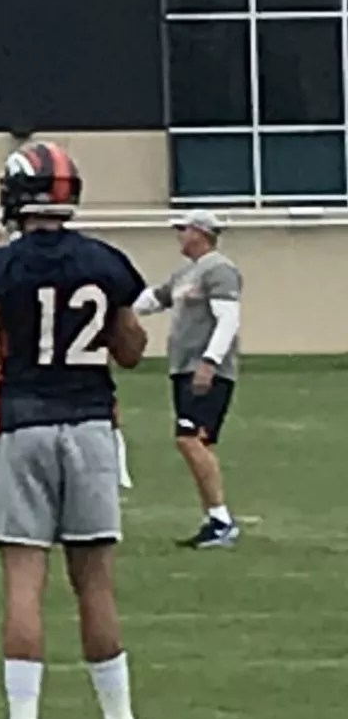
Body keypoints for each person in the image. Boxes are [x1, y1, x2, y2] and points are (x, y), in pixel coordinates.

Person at [0, 140, 182, 719]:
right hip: (92, 423)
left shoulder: (4, 264)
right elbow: (131, 349)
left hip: (21, 422)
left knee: (25, 581)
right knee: (95, 582)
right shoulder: (105, 261)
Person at [134, 210, 243, 548]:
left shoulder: (219, 270)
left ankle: (221, 520)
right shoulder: (185, 273)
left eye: (183, 229)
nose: (179, 235)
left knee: (189, 438)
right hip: (183, 368)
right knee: (197, 442)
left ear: (200, 232)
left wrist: (210, 362)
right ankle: (213, 518)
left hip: (204, 370)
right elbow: (153, 300)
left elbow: (228, 320)